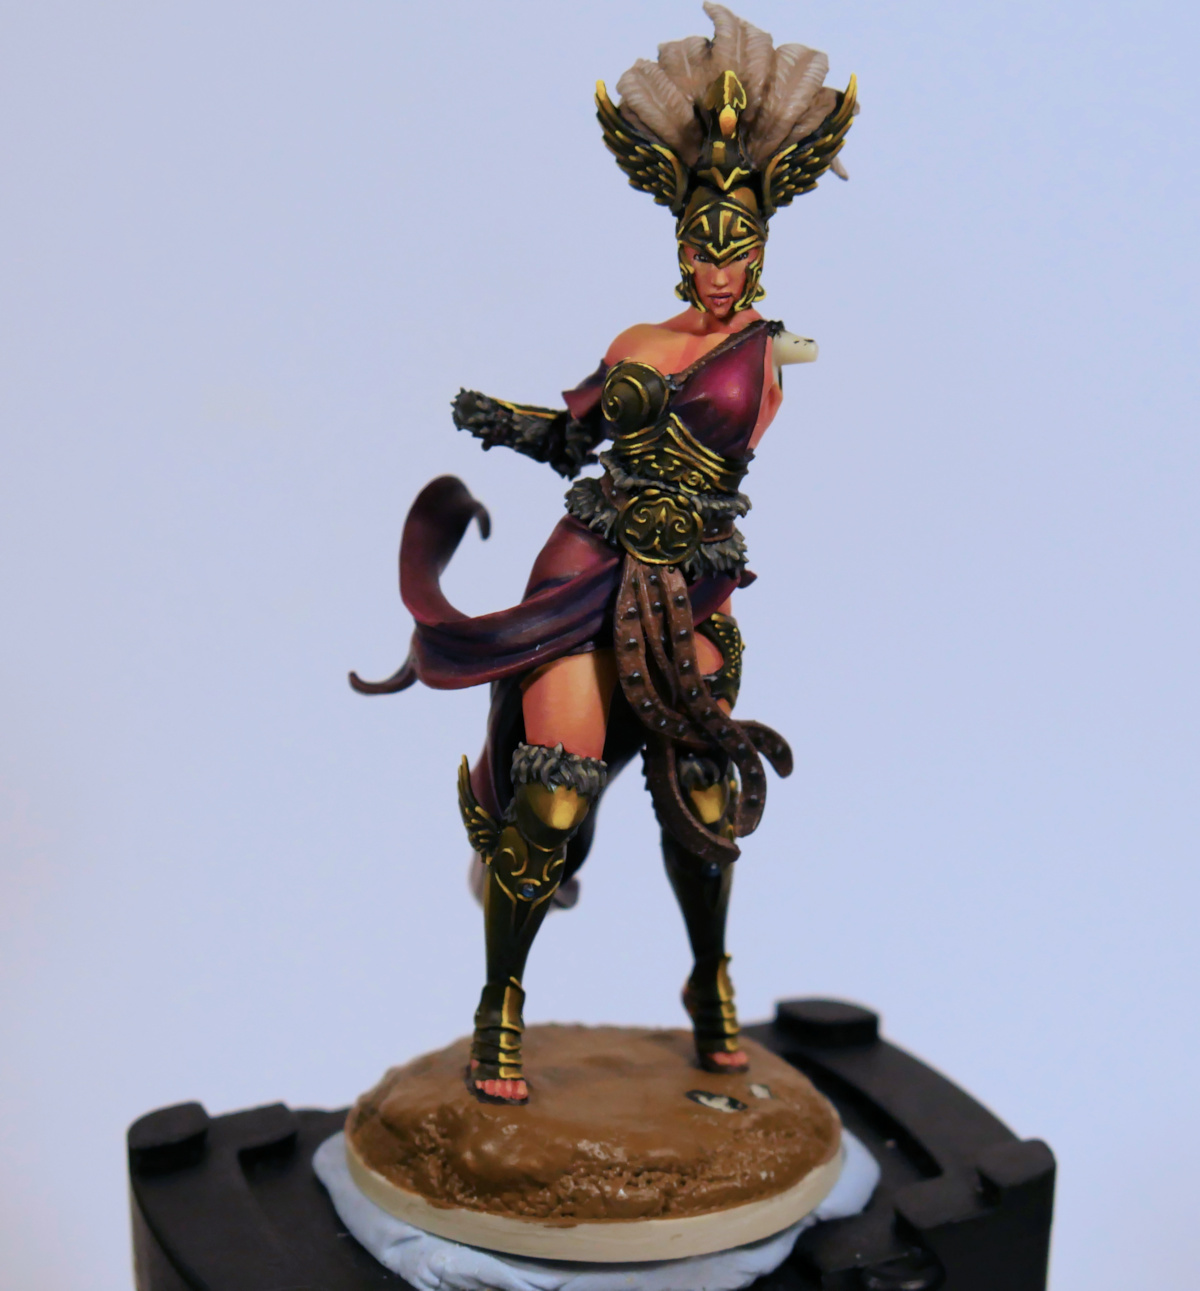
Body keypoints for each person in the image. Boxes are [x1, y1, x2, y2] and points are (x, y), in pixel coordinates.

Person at [351, 4, 856, 1105]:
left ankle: (710, 980)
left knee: (706, 791)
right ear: (680, 247)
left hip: (692, 583)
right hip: (590, 562)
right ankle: (500, 1006)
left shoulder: (765, 355)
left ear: (760, 249)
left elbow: (727, 413)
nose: (718, 267)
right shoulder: (639, 342)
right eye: (702, 247)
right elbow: (573, 435)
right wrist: (511, 421)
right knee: (554, 794)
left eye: (737, 248)